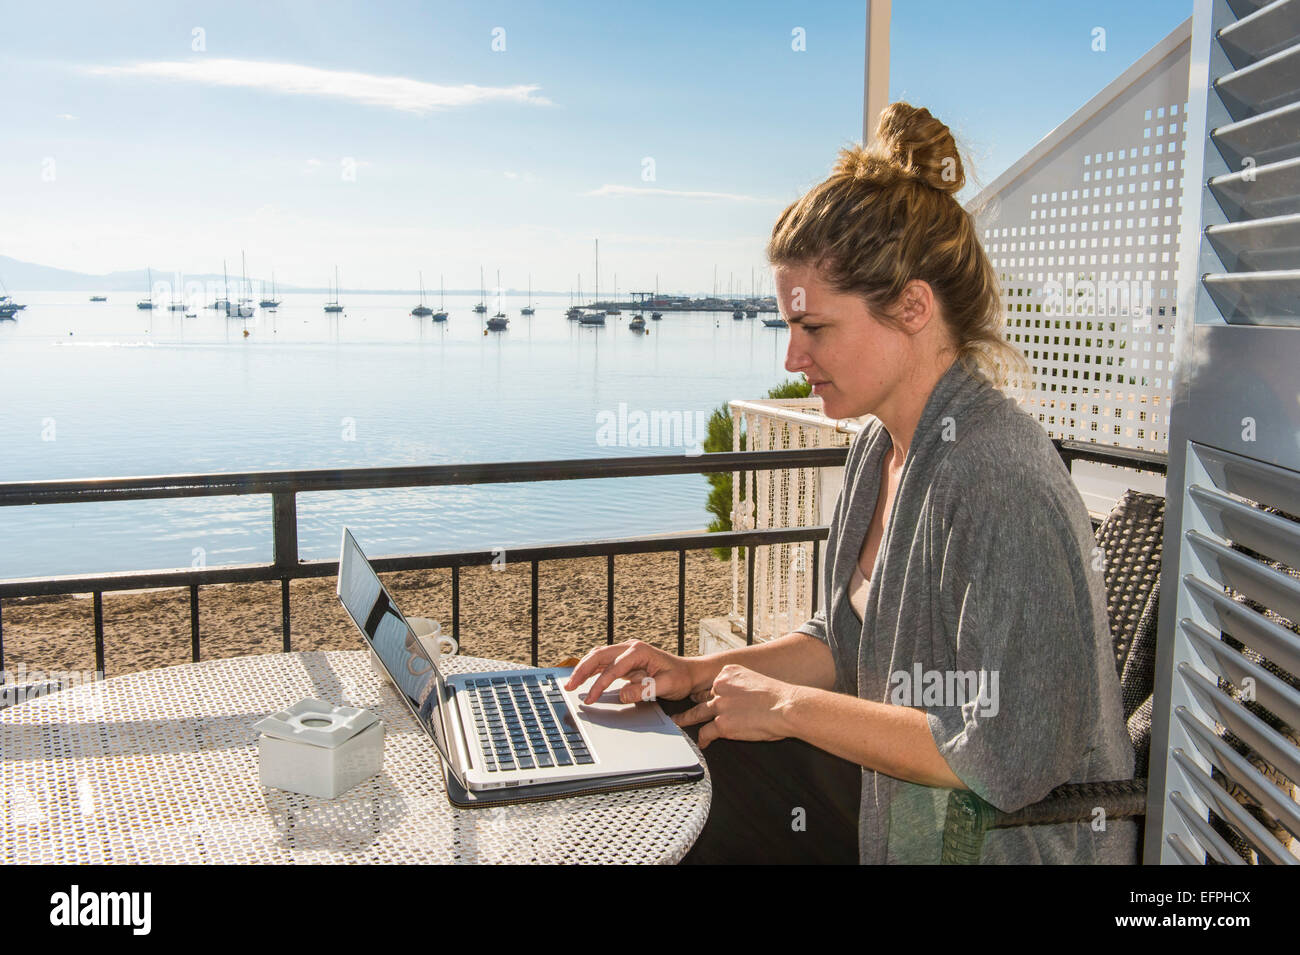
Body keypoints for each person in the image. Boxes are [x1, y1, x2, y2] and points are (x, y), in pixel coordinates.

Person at [566, 102, 1136, 864]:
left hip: (990, 844)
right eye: (787, 328)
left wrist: (788, 707)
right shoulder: (878, 445)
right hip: (902, 812)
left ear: (912, 307)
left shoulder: (999, 478)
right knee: (671, 786)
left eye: (817, 328)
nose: (794, 358)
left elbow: (1004, 754)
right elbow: (843, 640)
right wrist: (694, 670)